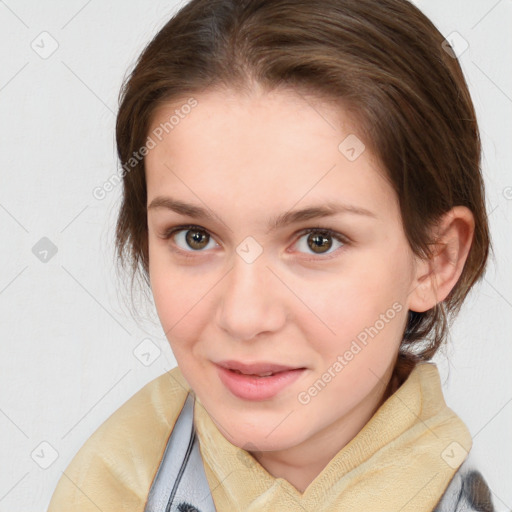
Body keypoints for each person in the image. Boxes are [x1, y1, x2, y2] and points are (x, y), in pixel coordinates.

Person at [47, 0, 497, 510]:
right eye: (195, 236)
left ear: (436, 259)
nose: (243, 316)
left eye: (317, 241)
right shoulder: (103, 485)